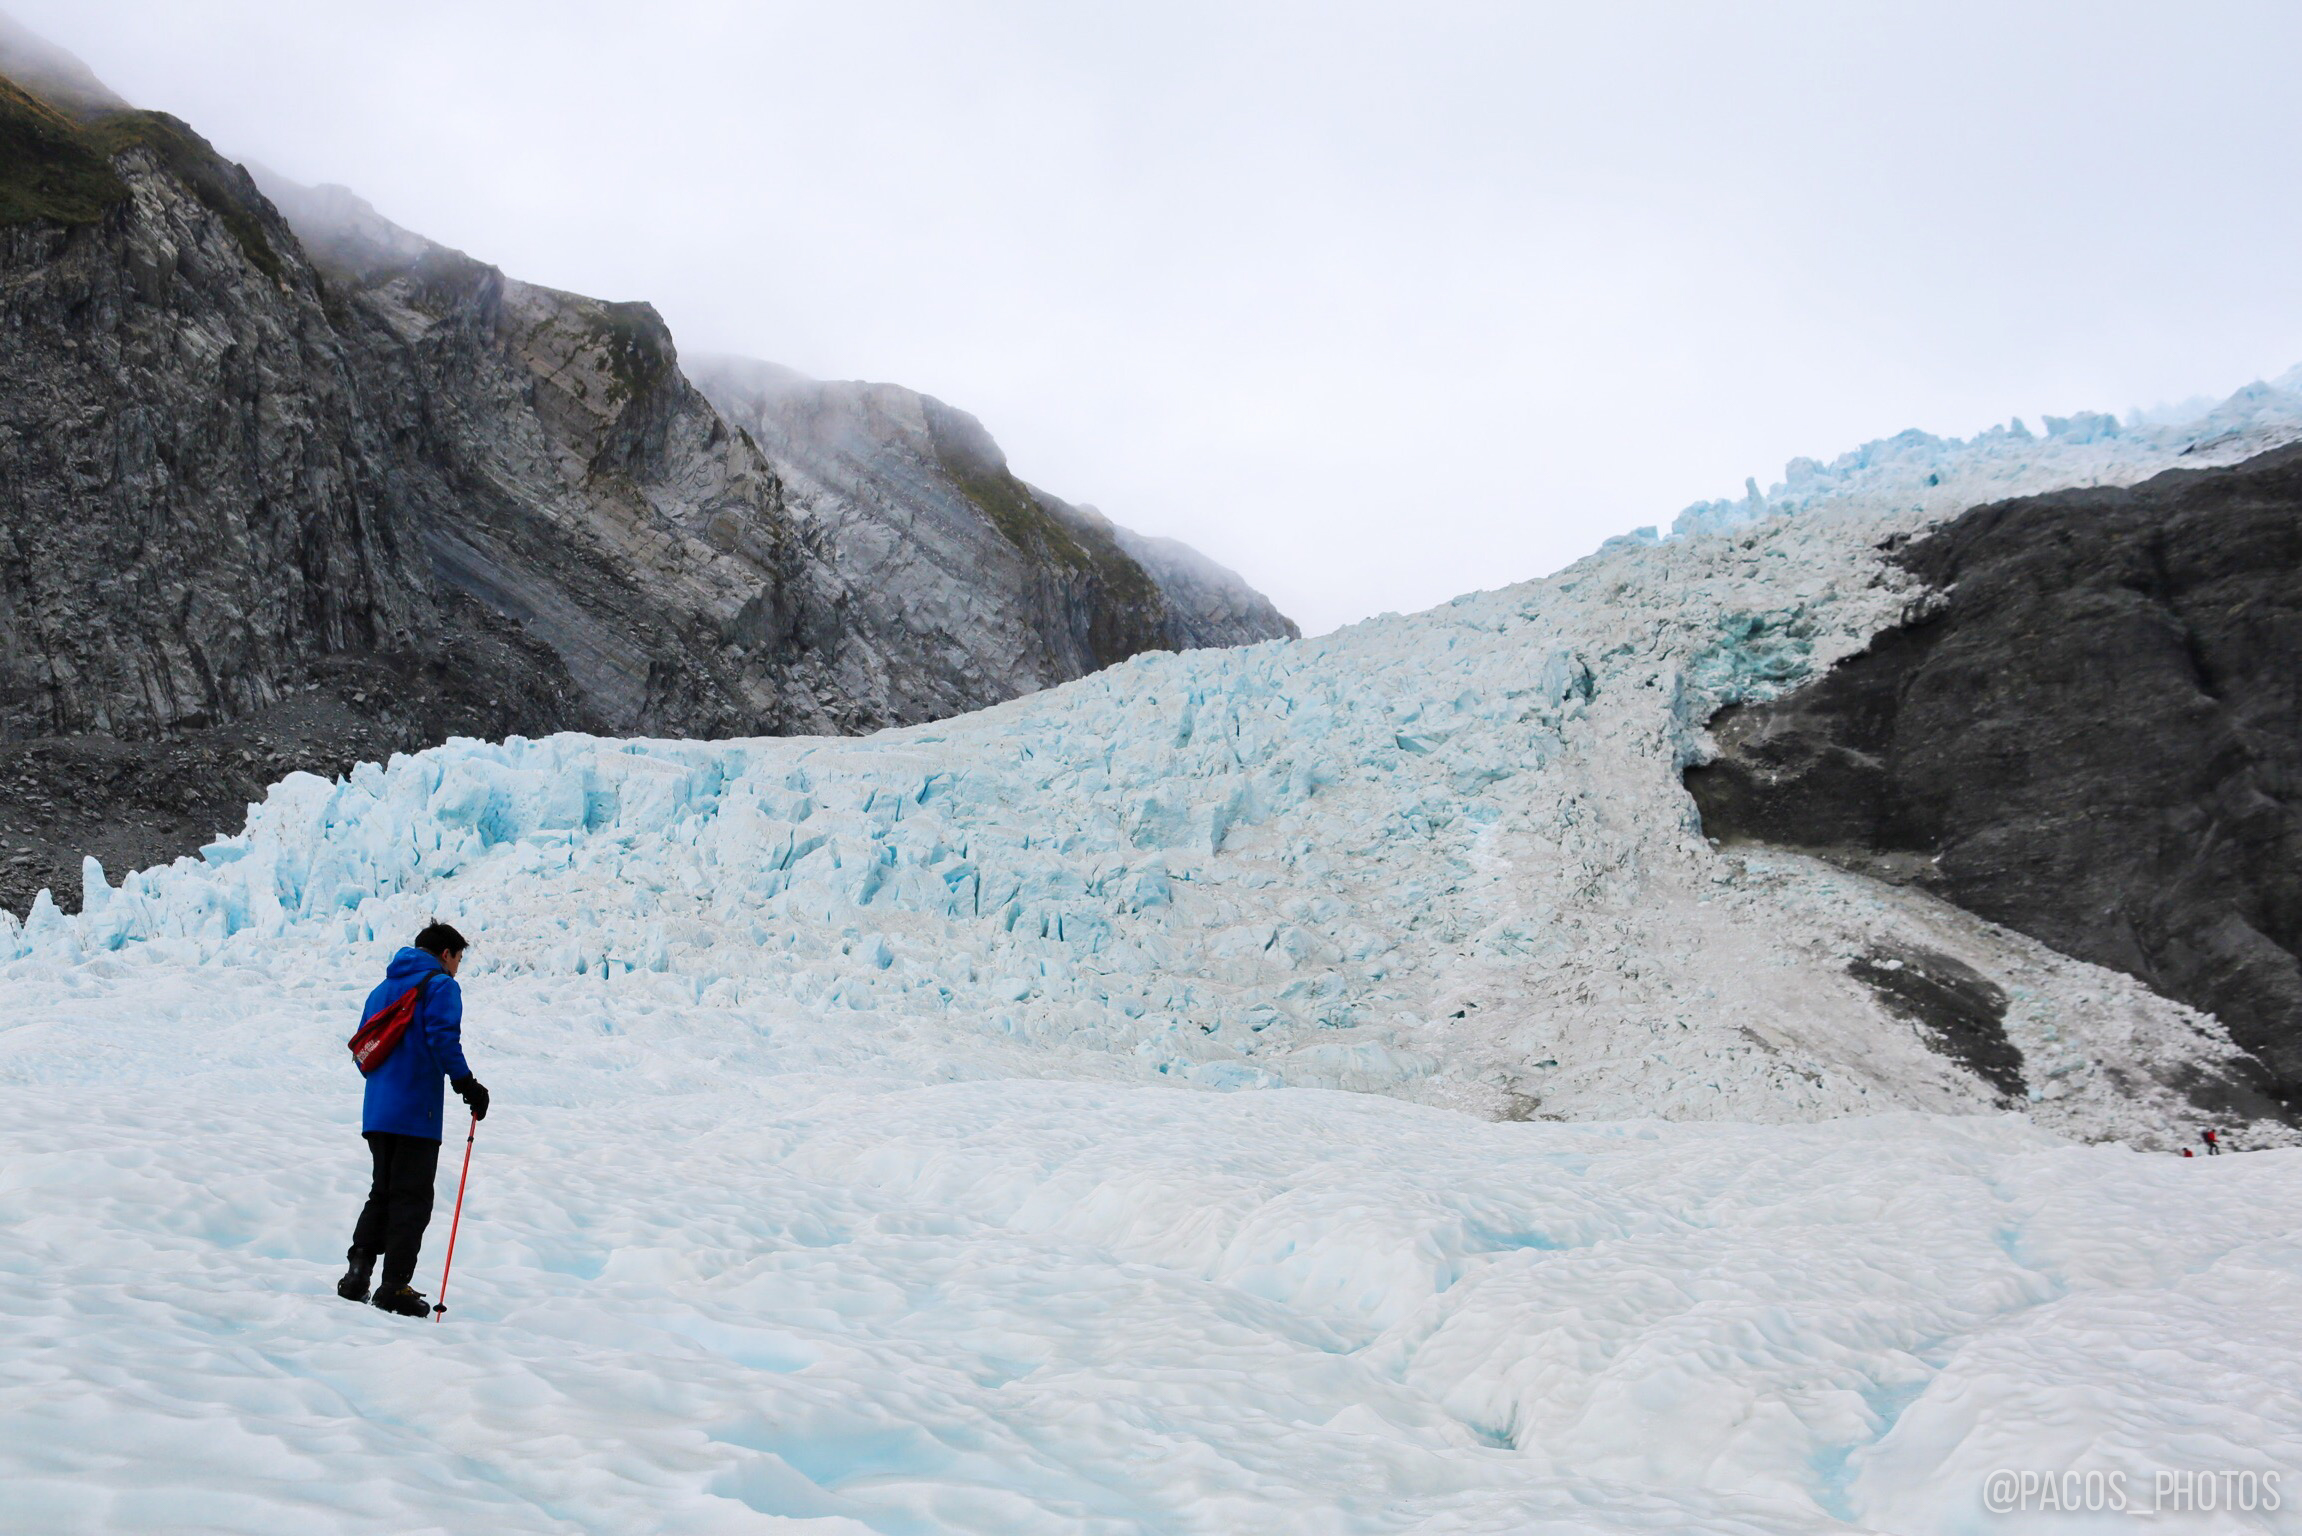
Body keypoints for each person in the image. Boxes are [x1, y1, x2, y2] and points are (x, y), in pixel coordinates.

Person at [338, 922, 490, 1317]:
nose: (457, 968)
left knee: (382, 1193)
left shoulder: (382, 989)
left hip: (377, 1110)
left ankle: (358, 1273)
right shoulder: (440, 986)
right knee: (412, 1199)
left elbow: (363, 1047)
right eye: (458, 958)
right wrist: (467, 1085)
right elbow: (443, 1039)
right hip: (416, 1112)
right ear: (446, 954)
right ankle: (393, 1287)